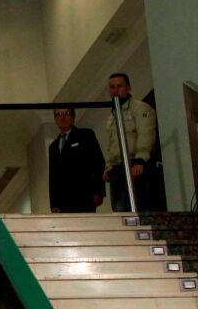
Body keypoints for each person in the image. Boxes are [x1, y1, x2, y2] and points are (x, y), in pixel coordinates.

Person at [103, 73, 157, 212]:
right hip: (117, 169)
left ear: (128, 88)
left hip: (134, 165)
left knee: (138, 209)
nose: (115, 90)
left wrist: (140, 160)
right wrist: (108, 166)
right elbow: (111, 144)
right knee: (119, 212)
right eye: (112, 87)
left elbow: (146, 133)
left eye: (119, 86)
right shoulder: (112, 116)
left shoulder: (140, 108)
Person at [47, 108, 105, 213]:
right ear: (55, 119)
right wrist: (54, 204)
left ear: (73, 116)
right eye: (58, 114)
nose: (62, 117)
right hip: (63, 201)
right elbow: (53, 177)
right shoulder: (53, 147)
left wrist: (98, 192)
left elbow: (98, 163)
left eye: (66, 113)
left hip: (84, 195)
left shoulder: (86, 135)